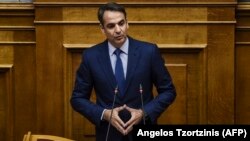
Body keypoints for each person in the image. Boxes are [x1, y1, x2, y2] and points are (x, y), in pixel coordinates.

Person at [70, 2, 176, 141]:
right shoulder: (91, 56)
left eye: (121, 23)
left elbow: (168, 91)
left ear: (127, 23)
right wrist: (105, 114)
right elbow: (77, 99)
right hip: (109, 135)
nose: (118, 30)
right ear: (102, 29)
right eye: (111, 26)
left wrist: (144, 113)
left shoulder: (149, 52)